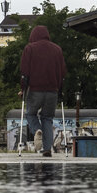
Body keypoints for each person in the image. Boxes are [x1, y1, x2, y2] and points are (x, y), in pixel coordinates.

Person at [20, 25, 67, 157]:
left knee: (30, 114)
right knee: (47, 118)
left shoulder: (29, 48)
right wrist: (60, 90)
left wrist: (23, 88)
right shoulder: (57, 49)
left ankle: (37, 130)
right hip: (52, 91)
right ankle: (47, 149)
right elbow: (62, 72)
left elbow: (25, 72)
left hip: (35, 90)